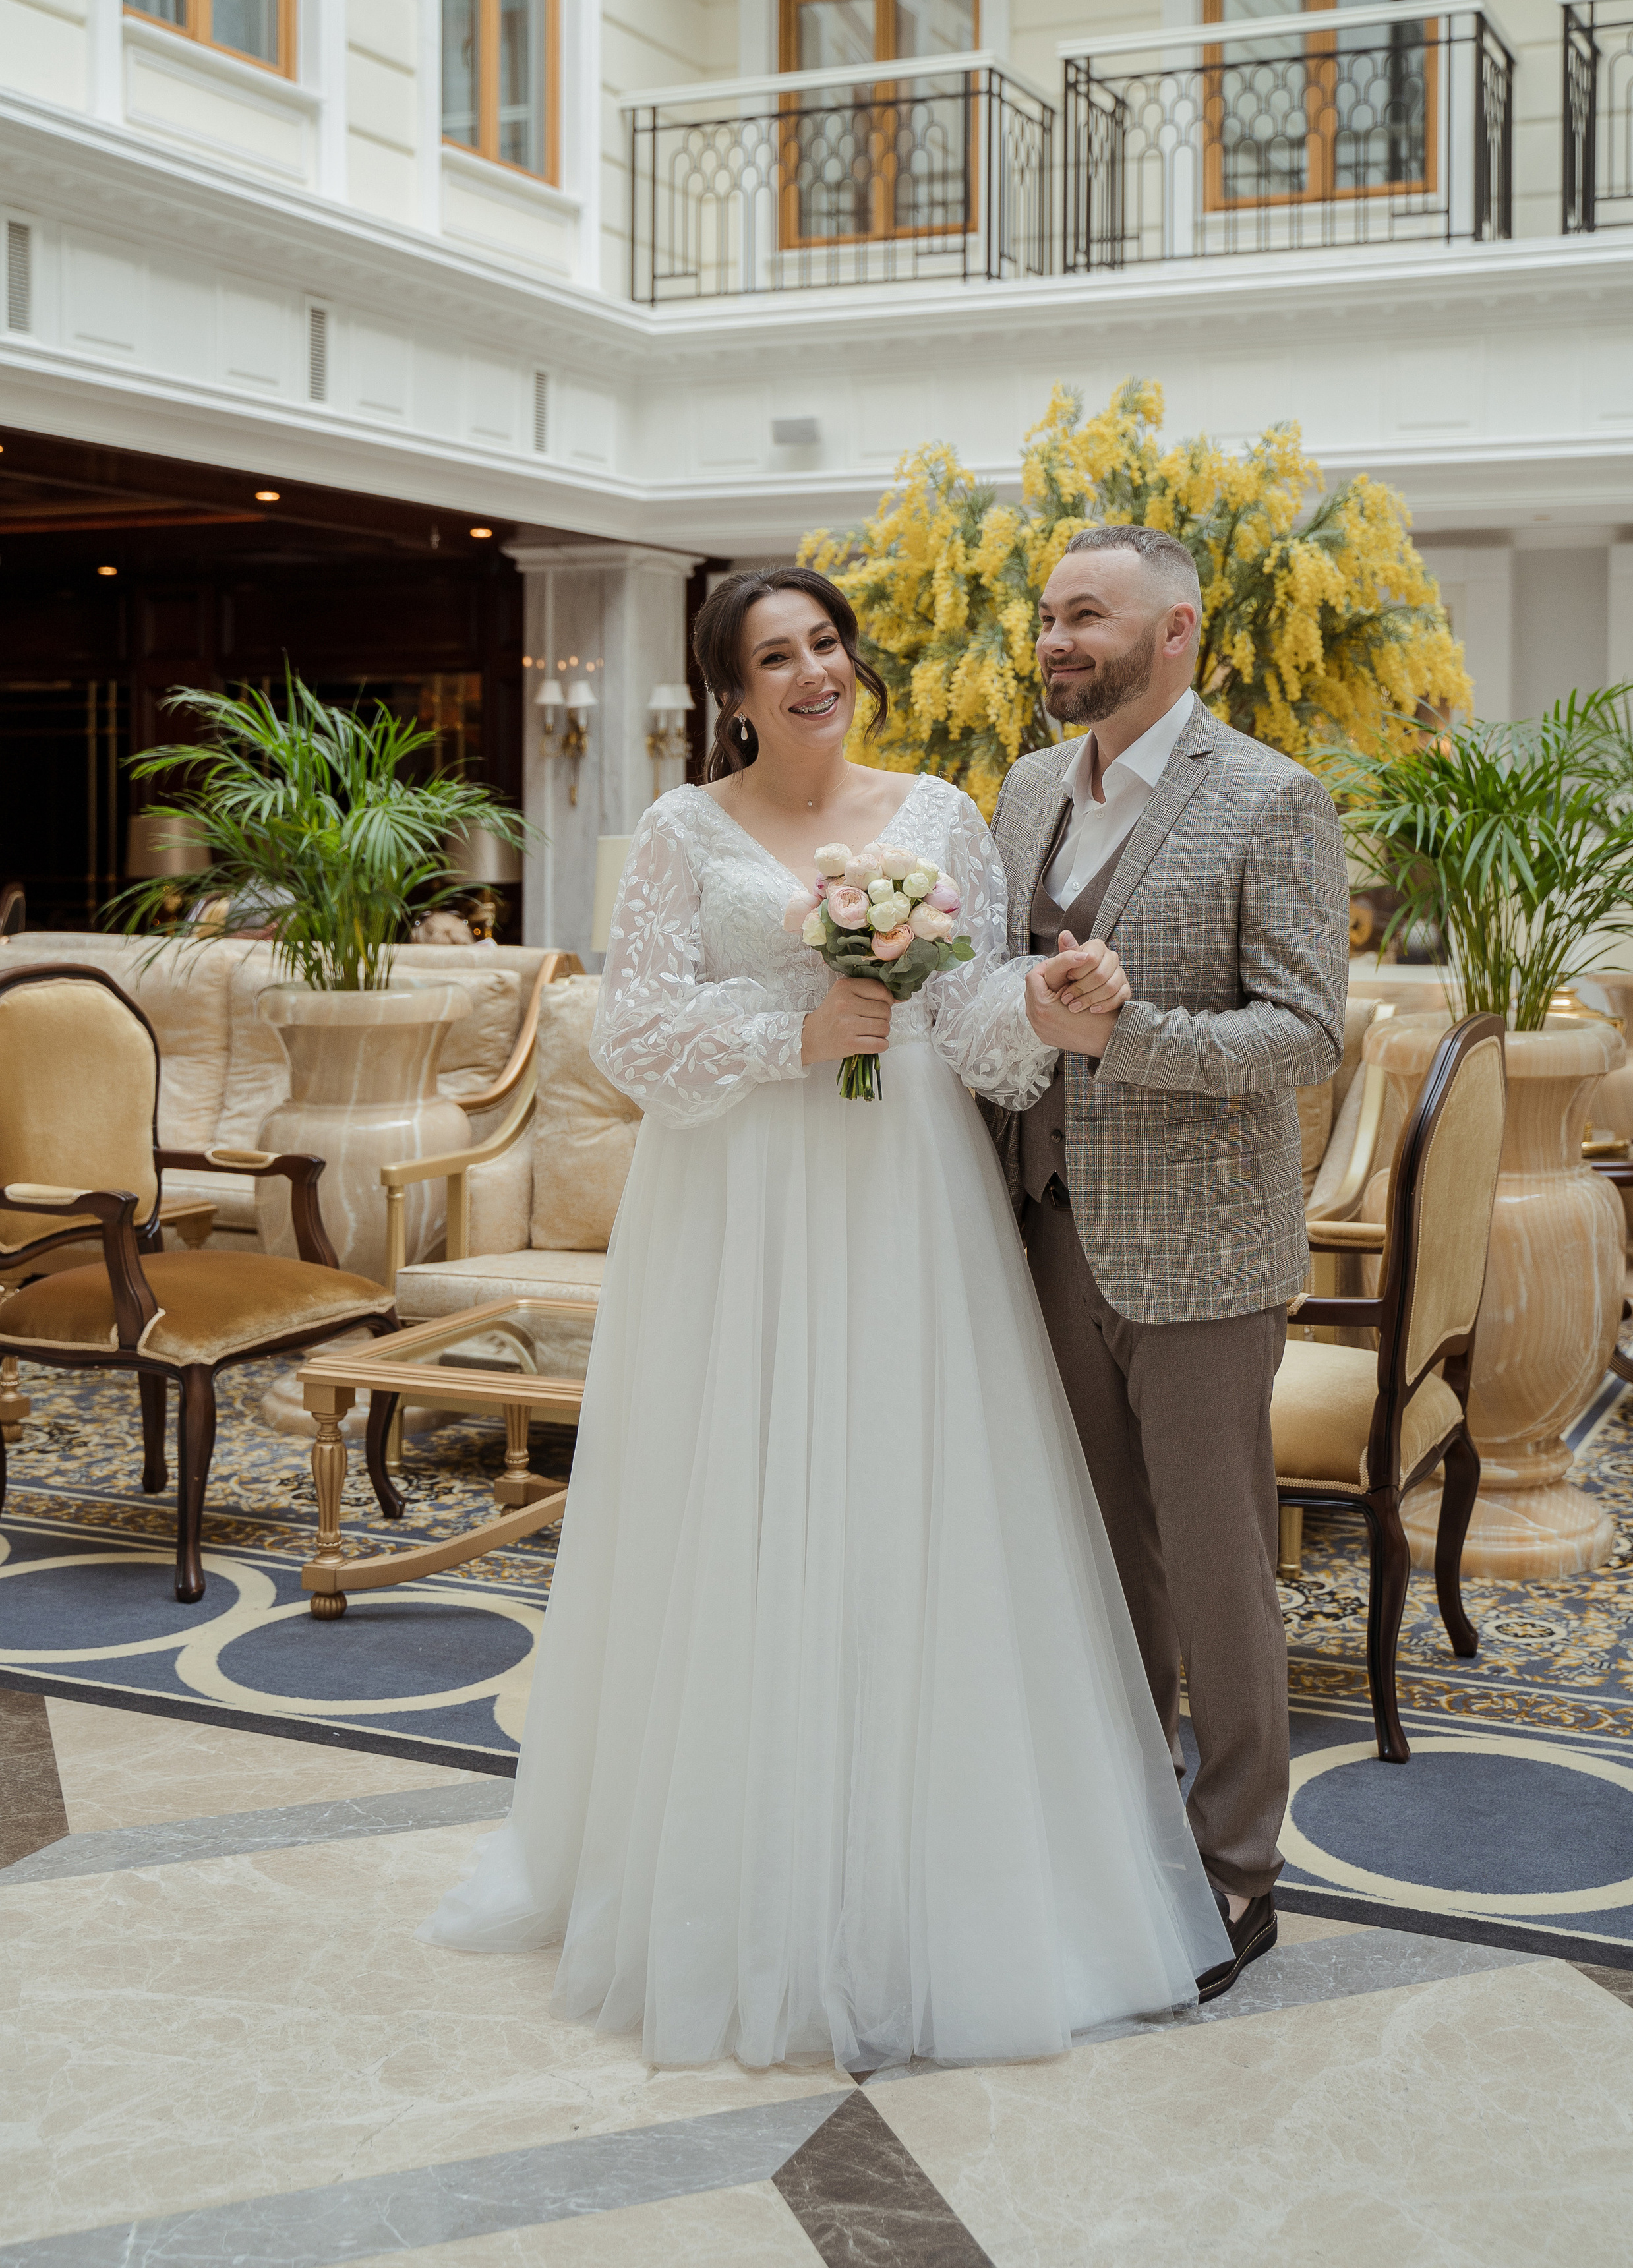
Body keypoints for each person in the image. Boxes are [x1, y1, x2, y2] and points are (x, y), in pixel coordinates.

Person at [420, 564, 1230, 2068]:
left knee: (906, 1505)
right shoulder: (677, 834)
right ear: (727, 694)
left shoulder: (937, 815)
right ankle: (732, 1876)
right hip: (740, 1209)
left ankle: (931, 1878)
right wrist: (796, 1030)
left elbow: (973, 1026)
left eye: (826, 644)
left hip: (903, 1201)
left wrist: (1043, 1015)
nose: (811, 672)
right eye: (774, 656)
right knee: (737, 1503)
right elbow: (634, 1035)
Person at [988, 524, 1349, 2001]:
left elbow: (1307, 1032)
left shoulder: (1271, 800)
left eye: (1087, 615)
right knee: (1097, 1564)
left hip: (1198, 1249)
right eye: (1048, 618)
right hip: (1041, 1230)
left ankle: (1234, 1868)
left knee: (1213, 1573)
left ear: (1177, 630)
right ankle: (1126, 1832)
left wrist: (1126, 1034)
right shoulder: (1019, 793)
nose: (1056, 640)